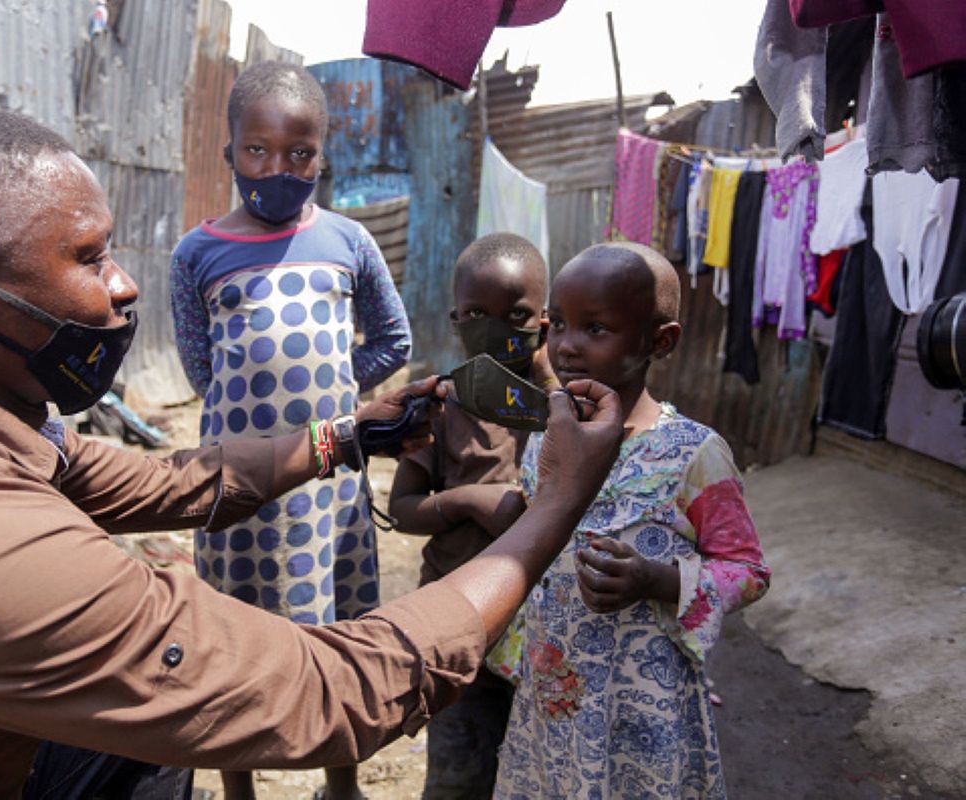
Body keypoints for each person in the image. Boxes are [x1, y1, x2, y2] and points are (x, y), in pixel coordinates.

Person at [0, 101, 625, 798]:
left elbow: (176, 481)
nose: (123, 282)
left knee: (148, 748)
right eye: (91, 257)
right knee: (181, 712)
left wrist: (353, 434)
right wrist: (553, 505)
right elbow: (319, 696)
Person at [170, 61, 411, 800]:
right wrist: (253, 419)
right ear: (230, 155)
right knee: (229, 642)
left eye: (300, 155)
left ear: (322, 157)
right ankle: (238, 787)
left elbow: (392, 342)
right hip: (237, 485)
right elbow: (201, 372)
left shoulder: (349, 243)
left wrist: (339, 395)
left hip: (328, 491)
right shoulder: (196, 254)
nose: (278, 169)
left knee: (335, 639)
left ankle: (341, 783)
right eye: (258, 153)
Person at [492, 243, 772, 799]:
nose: (568, 346)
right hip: (553, 699)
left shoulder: (693, 454)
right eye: (561, 325)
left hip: (645, 707)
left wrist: (657, 580)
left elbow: (748, 570)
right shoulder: (547, 438)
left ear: (659, 341)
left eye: (596, 329)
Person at [388, 233, 549, 799]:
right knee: (458, 773)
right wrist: (468, 501)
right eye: (478, 313)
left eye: (517, 314)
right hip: (460, 627)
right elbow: (401, 509)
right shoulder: (442, 403)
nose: (496, 326)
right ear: (456, 318)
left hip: (544, 639)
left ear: (544, 323)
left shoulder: (569, 413)